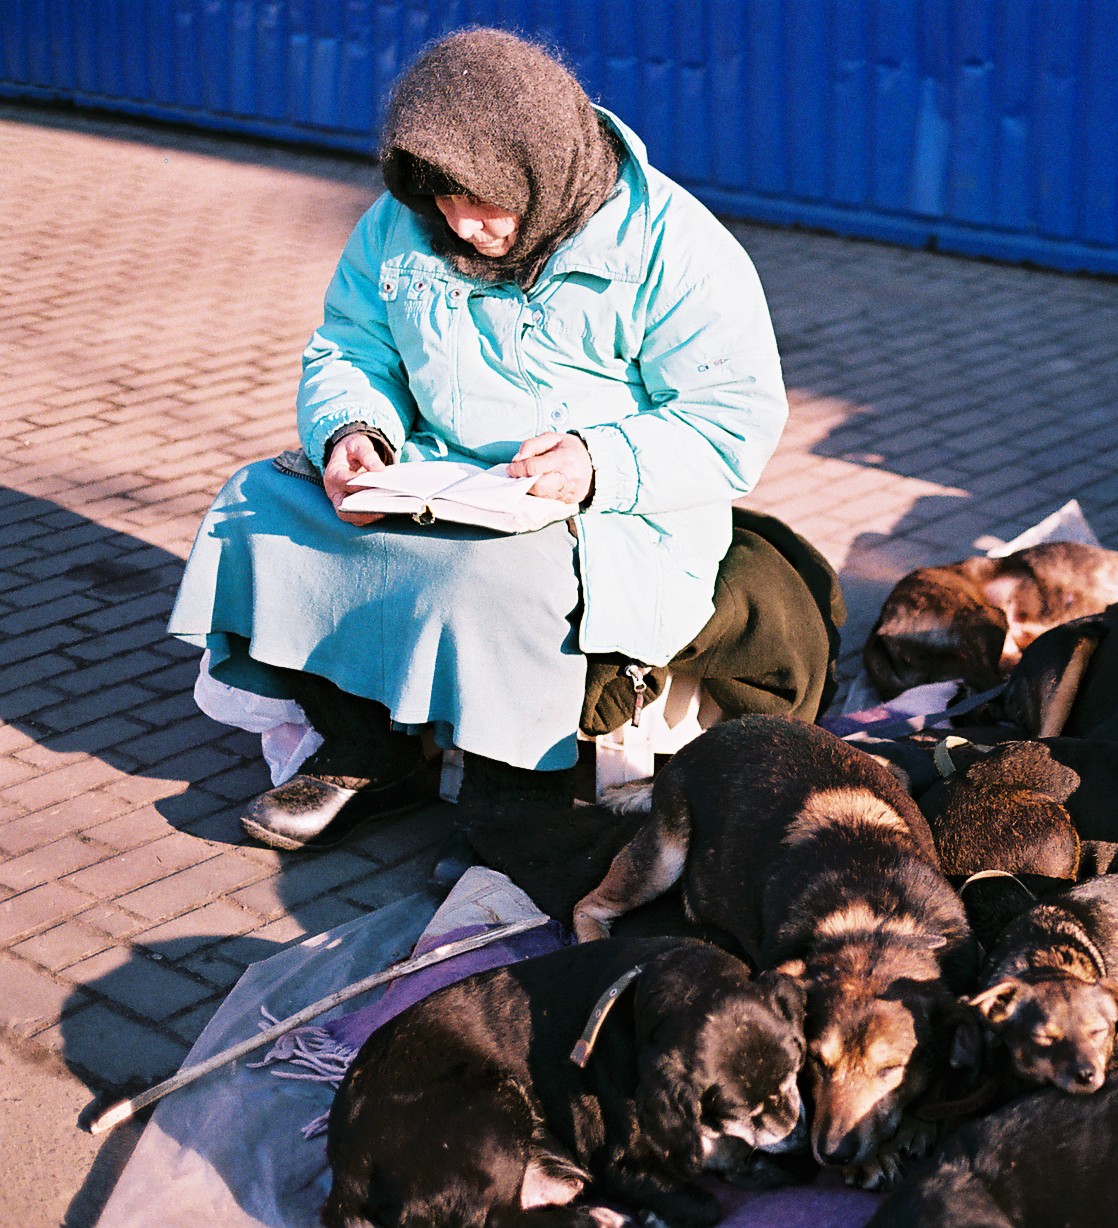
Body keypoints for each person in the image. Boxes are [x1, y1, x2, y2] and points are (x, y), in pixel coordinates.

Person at [168, 28, 789, 849]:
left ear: (542, 167)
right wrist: (354, 432)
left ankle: (515, 790)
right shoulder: (400, 224)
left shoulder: (679, 247)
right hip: (437, 478)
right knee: (261, 508)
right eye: (441, 205)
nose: (461, 228)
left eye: (484, 201)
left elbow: (730, 421)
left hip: (611, 510)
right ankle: (367, 752)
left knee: (500, 575)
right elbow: (353, 346)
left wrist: (597, 460)